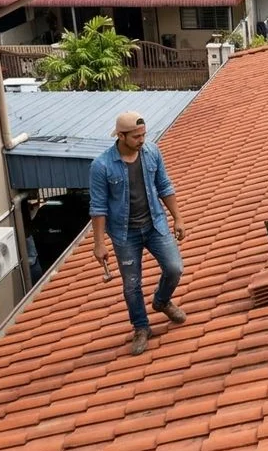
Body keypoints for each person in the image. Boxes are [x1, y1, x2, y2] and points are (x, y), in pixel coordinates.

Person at [90, 111, 187, 356]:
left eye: (143, 135)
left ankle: (161, 301)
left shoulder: (152, 152)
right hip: (124, 234)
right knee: (131, 284)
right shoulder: (101, 166)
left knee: (174, 267)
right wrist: (99, 243)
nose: (142, 140)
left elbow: (164, 185)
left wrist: (177, 217)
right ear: (121, 136)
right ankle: (141, 327)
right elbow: (98, 207)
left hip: (154, 224)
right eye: (136, 137)